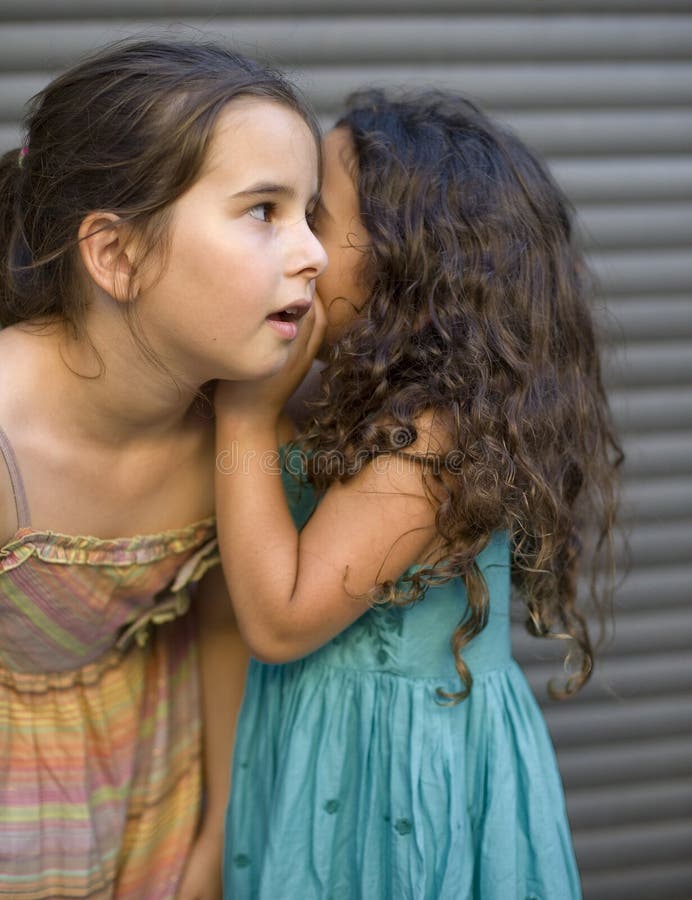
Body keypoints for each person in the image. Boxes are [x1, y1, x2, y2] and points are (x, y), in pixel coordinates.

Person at [216, 89, 623, 899]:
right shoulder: (363, 396)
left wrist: (243, 414)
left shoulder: (431, 440)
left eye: (318, 219)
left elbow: (280, 618)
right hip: (329, 747)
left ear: (412, 264)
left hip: (393, 778)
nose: (297, 244)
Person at [0, 38, 326, 899]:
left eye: (311, 214)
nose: (315, 254)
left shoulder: (242, 433)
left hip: (152, 781)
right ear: (116, 255)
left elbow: (223, 624)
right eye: (264, 211)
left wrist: (217, 838)